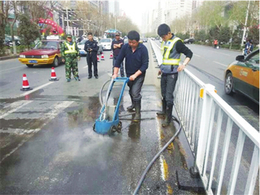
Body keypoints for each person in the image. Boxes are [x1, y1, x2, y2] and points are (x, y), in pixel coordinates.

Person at [157, 24, 193, 127]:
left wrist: (184, 64)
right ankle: (164, 112)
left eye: (163, 36)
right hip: (164, 72)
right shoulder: (165, 42)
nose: (162, 39)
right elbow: (165, 58)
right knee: (163, 94)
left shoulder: (177, 42)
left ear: (169, 33)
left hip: (172, 74)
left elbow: (189, 53)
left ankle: (168, 118)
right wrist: (161, 68)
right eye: (161, 37)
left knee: (169, 97)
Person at [112, 30, 149, 122]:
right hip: (129, 74)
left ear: (138, 41)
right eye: (129, 42)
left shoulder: (143, 49)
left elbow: (145, 65)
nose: (131, 44)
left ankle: (137, 113)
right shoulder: (125, 47)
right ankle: (133, 104)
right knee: (131, 91)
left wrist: (135, 75)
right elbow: (118, 60)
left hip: (139, 74)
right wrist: (115, 73)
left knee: (135, 93)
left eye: (133, 42)